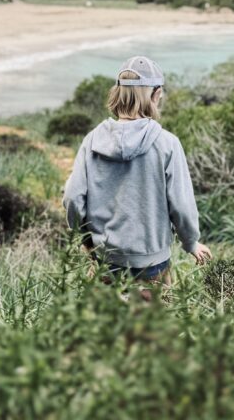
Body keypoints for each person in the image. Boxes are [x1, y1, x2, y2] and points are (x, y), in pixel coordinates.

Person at [62, 55, 212, 291]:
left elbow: (72, 197)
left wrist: (86, 241)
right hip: (152, 263)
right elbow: (181, 205)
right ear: (155, 95)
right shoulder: (167, 143)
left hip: (104, 259)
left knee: (104, 326)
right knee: (150, 327)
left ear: (119, 92)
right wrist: (191, 243)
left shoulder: (92, 140)